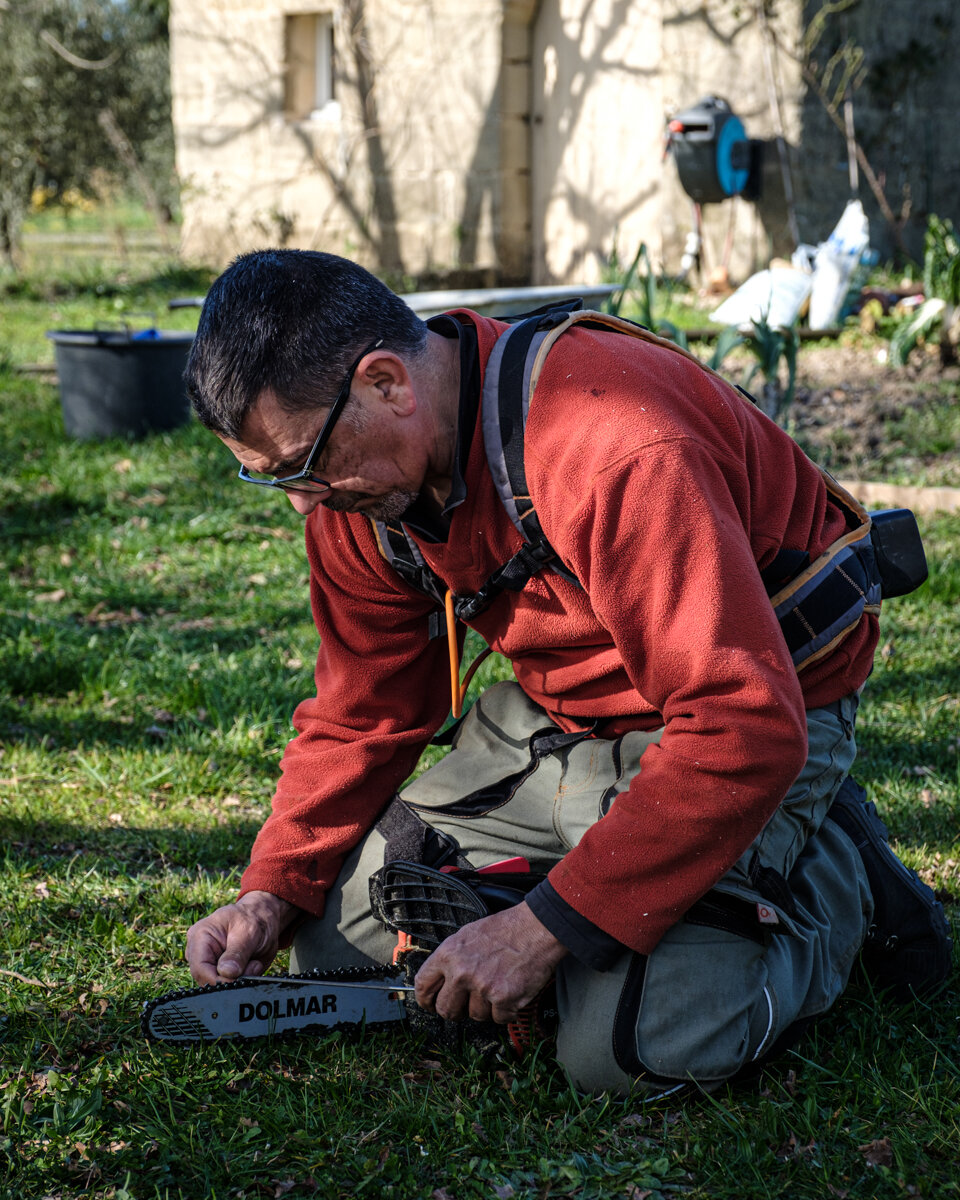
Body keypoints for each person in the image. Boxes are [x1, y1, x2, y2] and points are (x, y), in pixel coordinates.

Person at [182, 249, 950, 1096]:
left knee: (629, 1050)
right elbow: (362, 711)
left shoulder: (611, 438)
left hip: (752, 727)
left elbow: (741, 723)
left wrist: (541, 932)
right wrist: (272, 889)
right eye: (271, 479)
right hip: (561, 724)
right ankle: (610, 887)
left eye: (301, 464)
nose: (301, 502)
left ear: (387, 383)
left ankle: (836, 880)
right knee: (328, 938)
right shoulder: (359, 491)